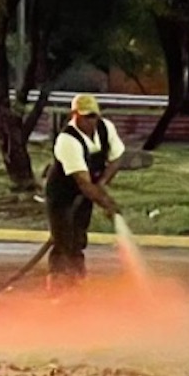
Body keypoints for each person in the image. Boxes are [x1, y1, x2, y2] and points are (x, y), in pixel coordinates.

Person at [44, 93, 124, 286]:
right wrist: (106, 202)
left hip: (86, 192)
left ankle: (77, 280)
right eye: (86, 117)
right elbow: (83, 182)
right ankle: (59, 283)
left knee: (78, 237)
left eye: (93, 116)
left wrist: (101, 184)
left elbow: (116, 159)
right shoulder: (67, 140)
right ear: (75, 115)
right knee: (63, 239)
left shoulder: (106, 128)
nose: (91, 121)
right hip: (62, 194)